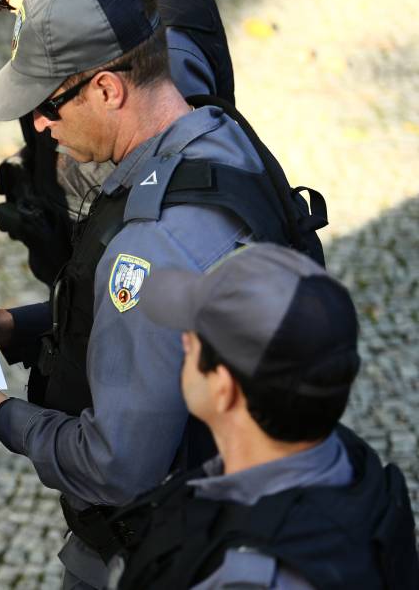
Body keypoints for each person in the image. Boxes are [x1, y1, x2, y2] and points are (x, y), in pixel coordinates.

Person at [0, 0, 324, 587]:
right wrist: (7, 325)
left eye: (49, 104)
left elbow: (116, 465)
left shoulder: (151, 243)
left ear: (106, 88)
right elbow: (156, 329)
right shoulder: (219, 137)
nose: (42, 125)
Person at [110, 243, 419, 589]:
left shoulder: (249, 579)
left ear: (224, 388)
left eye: (194, 340)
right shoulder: (354, 465)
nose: (183, 341)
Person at [0, 0, 236, 286]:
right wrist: (14, 326)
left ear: (108, 89)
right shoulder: (89, 19)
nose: (16, 12)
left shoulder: (147, 44)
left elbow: (151, 298)